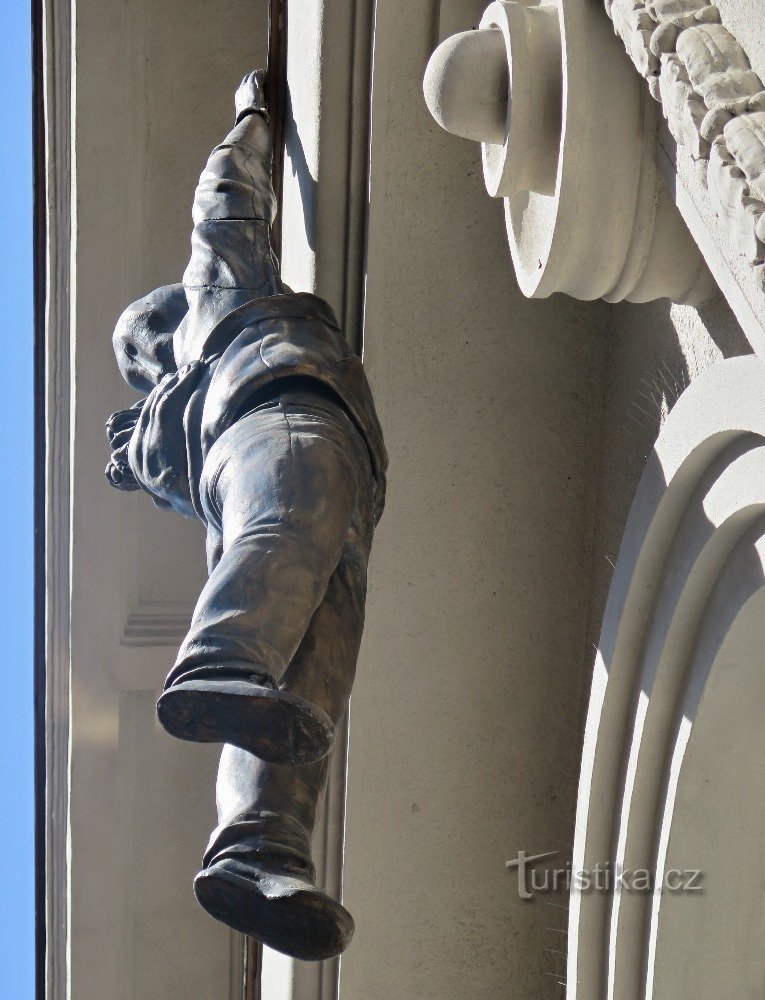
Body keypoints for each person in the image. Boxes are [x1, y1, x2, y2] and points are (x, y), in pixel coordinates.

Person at [105, 71, 386, 961]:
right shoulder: (214, 317)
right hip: (283, 419)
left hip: (313, 471)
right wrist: (250, 120)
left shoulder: (164, 430)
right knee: (288, 528)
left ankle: (258, 851)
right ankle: (217, 661)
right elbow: (223, 208)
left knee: (311, 679)